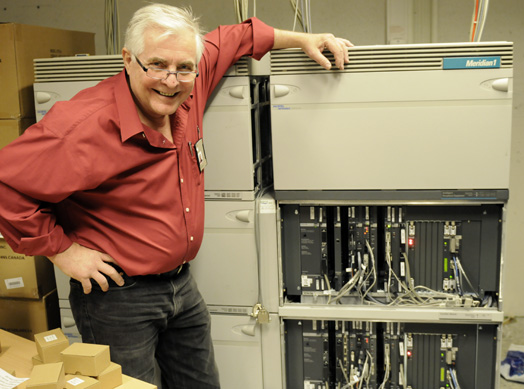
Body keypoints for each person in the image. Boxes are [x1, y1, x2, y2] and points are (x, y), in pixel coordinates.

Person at [0, 3, 351, 387]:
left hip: (182, 287)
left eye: (184, 67)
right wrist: (62, 251)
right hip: (117, 300)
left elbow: (239, 37)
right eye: (157, 65)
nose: (171, 80)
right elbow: (6, 184)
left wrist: (306, 39)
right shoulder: (83, 124)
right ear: (129, 60)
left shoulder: (188, 85)